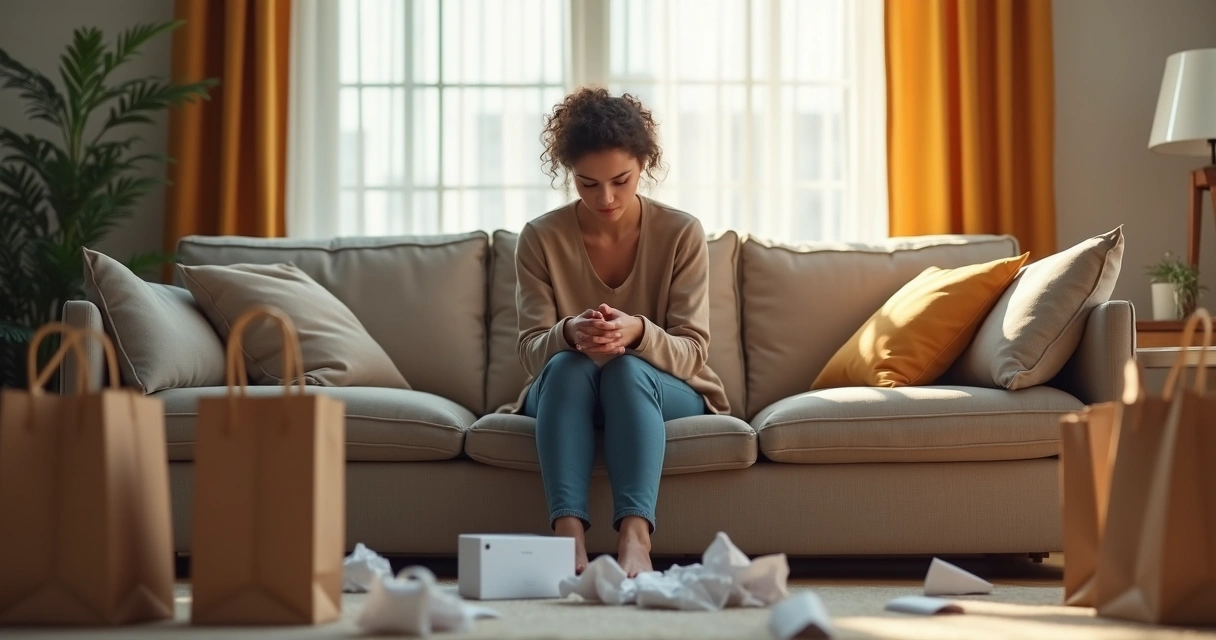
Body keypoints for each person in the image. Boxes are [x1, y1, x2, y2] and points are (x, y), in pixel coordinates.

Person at [511, 86, 730, 578]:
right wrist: (569, 332)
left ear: (644, 164)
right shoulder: (541, 238)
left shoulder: (680, 232)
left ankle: (636, 540)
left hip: (659, 386)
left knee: (626, 371)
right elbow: (530, 356)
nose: (604, 198)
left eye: (620, 180)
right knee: (568, 365)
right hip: (567, 386)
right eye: (587, 184)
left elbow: (692, 352)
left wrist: (637, 333)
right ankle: (567, 540)